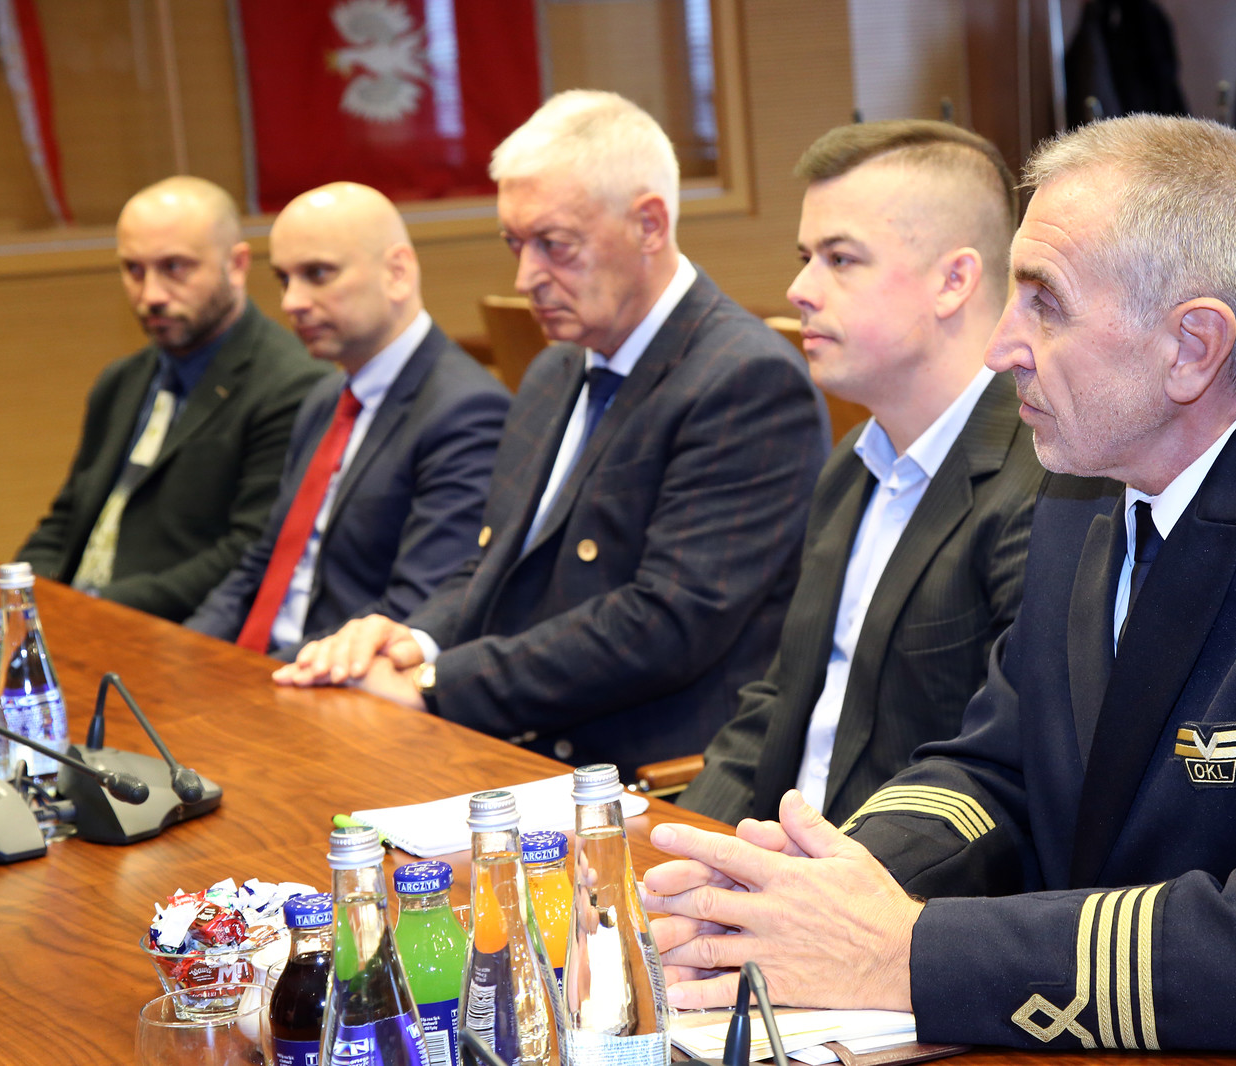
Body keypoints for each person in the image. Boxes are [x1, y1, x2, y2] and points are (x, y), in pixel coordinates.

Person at [642, 115, 1236, 1063]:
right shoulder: (1091, 474)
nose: (1000, 346)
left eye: (1044, 304)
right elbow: (1002, 768)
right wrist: (821, 885)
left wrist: (907, 952)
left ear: (1193, 346)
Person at [273, 91, 829, 779]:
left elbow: (663, 625)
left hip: (647, 774)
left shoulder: (745, 380)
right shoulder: (555, 367)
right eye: (515, 244)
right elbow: (495, 561)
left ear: (649, 225)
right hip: (523, 736)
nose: (526, 277)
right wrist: (414, 639)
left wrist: (434, 686)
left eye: (554, 245)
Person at [678, 121, 1057, 828]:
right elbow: (780, 703)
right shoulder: (853, 462)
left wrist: (807, 879)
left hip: (896, 877)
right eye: (805, 258)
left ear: (953, 281)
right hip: (779, 861)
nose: (799, 289)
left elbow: (1003, 775)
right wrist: (680, 850)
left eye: (840, 259)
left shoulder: (1042, 484)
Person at [186, 183, 509, 659]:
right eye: (284, 279)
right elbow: (265, 562)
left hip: (339, 677)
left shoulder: (467, 411)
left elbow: (414, 609)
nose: (292, 302)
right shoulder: (325, 398)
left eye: (318, 274)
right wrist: (187, 654)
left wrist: (254, 676)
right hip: (264, 666)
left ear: (397, 273)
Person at [17, 176, 327, 621]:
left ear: (236, 265)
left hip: (173, 631)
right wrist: (21, 601)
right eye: (134, 270)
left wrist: (92, 610)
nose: (151, 295)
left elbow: (249, 553)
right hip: (77, 620)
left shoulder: (292, 386)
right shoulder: (121, 381)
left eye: (175, 267)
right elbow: (67, 520)